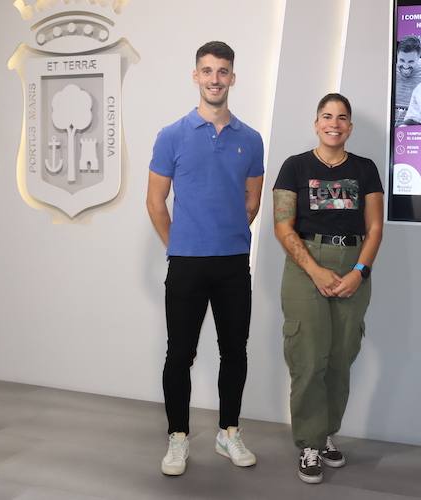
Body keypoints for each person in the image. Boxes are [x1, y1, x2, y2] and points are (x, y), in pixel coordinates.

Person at [146, 41, 264, 476]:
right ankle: (177, 436)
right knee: (180, 353)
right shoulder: (171, 135)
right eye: (208, 70)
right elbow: (156, 202)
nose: (215, 79)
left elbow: (252, 200)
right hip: (187, 264)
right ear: (195, 75)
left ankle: (228, 431)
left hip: (234, 263)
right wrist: (180, 244)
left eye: (223, 71)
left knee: (235, 351)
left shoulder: (250, 139)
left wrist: (227, 231)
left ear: (233, 77)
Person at [272, 93, 384, 484]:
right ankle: (308, 442)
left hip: (351, 265)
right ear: (316, 123)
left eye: (341, 117)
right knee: (308, 357)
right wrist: (315, 271)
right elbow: (282, 226)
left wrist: (358, 272)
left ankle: (326, 433)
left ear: (349, 127)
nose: (333, 123)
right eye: (326, 116)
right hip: (306, 264)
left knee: (340, 358)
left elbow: (374, 229)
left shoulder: (366, 169)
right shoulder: (294, 168)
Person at [394, 36, 421, 126]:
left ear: (418, 58)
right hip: (389, 120)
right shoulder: (390, 67)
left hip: (414, 123)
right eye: (402, 60)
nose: (405, 66)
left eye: (411, 62)